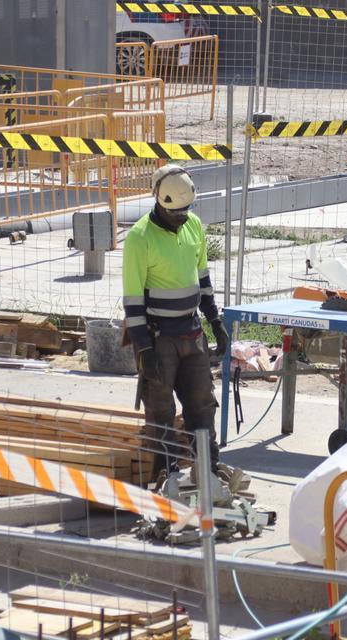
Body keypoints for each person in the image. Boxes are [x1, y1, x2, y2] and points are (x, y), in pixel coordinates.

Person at [123, 164, 230, 479]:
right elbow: (133, 301)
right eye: (176, 213)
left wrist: (215, 321)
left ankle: (207, 470)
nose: (181, 217)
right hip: (159, 337)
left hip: (191, 331)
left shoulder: (194, 225)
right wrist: (145, 349)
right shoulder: (140, 238)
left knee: (202, 404)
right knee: (160, 411)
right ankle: (164, 474)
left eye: (185, 211)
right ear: (160, 202)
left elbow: (203, 278)